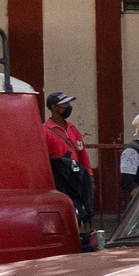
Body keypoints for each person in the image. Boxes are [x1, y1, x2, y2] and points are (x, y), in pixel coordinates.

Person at [42, 92, 94, 227]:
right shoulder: (45, 130)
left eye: (68, 104)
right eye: (64, 104)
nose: (68, 107)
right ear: (54, 107)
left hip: (76, 177)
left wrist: (88, 174)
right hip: (59, 179)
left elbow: (82, 153)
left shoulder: (72, 128)